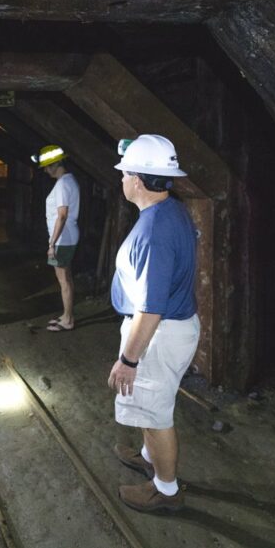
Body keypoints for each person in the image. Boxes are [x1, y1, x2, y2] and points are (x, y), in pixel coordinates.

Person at [106, 134, 200, 512]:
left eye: (125, 173)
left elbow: (151, 309)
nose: (122, 179)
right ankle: (149, 457)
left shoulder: (152, 232)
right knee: (149, 405)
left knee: (157, 414)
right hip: (167, 331)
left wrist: (127, 360)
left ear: (139, 180)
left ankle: (166, 490)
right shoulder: (169, 210)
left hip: (156, 336)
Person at [32, 145, 80, 331]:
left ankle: (68, 320)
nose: (45, 170)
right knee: (66, 277)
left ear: (55, 164)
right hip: (67, 236)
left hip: (62, 239)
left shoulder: (62, 185)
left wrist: (51, 243)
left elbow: (61, 215)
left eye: (46, 166)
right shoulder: (69, 181)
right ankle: (66, 315)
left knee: (63, 279)